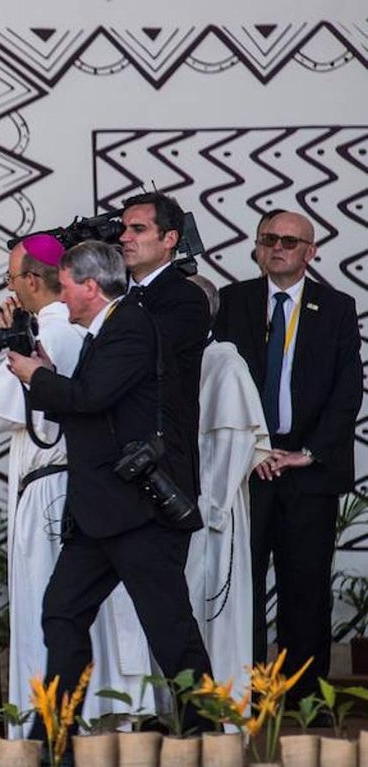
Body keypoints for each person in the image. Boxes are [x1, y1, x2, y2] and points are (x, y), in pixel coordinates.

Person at [8, 240, 211, 734]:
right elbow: (91, 408)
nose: (62, 296)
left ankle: (206, 728)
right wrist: (47, 375)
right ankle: (55, 731)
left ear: (91, 288)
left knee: (169, 628)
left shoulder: (130, 329)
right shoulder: (108, 331)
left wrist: (37, 377)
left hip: (138, 511)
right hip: (101, 510)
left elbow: (92, 398)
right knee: (62, 613)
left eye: (68, 286)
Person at [0, 235, 153, 736]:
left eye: (12, 278)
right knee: (79, 610)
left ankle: (54, 720)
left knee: (54, 606)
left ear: (32, 282)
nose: (9, 288)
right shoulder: (79, 330)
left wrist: (19, 359)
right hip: (82, 485)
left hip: (52, 489)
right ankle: (90, 713)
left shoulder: (58, 333)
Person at [214, 210, 361, 700]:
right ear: (257, 247)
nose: (278, 247)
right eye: (269, 239)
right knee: (243, 591)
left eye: (289, 241)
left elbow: (348, 391)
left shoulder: (336, 306)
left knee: (305, 592)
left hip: (308, 473)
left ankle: (304, 705)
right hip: (246, 471)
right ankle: (248, 698)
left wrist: (308, 453)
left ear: (310, 252)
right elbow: (214, 384)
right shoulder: (231, 302)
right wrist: (250, 447)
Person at [184, 275, 270, 690]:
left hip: (211, 510)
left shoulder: (226, 364)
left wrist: (211, 506)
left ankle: (221, 706)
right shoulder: (175, 356)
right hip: (180, 508)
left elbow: (234, 444)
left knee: (216, 611)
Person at [120, 192, 211, 486]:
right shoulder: (111, 291)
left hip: (162, 466)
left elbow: (138, 354)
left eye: (138, 229)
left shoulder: (187, 298)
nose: (124, 237)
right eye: (123, 228)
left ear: (169, 239)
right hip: (109, 471)